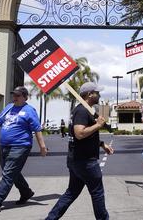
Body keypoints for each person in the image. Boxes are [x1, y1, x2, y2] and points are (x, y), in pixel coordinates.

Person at [46, 82, 114, 220]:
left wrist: (101, 144)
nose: (99, 95)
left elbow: (84, 136)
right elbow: (80, 133)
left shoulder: (85, 110)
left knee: (71, 192)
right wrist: (98, 125)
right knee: (97, 193)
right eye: (97, 92)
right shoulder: (82, 110)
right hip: (85, 162)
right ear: (89, 94)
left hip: (77, 160)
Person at [0, 86, 48, 213]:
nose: (15, 97)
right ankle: (26, 192)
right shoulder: (9, 107)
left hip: (20, 146)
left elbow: (37, 129)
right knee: (11, 172)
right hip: (4, 146)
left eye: (18, 95)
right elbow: (0, 121)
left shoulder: (29, 110)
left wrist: (42, 147)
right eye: (14, 95)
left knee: (8, 173)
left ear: (25, 97)